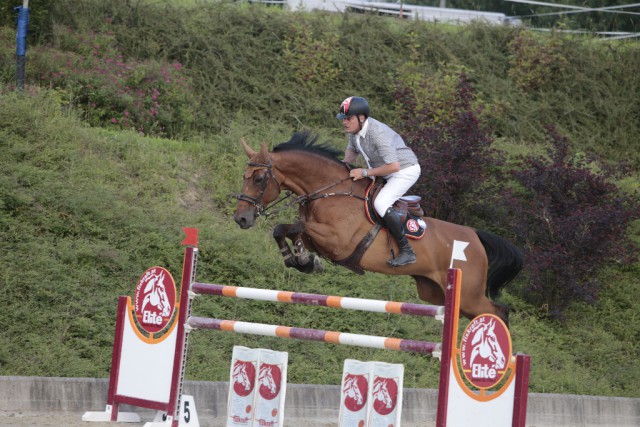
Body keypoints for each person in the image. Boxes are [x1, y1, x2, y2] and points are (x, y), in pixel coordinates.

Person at [337, 96, 421, 267]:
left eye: (348, 119)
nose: (344, 123)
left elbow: (393, 166)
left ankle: (407, 251)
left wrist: (365, 172)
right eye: (343, 119)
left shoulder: (378, 133)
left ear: (361, 118)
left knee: (381, 203)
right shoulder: (355, 133)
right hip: (384, 171)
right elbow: (350, 156)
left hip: (404, 170)